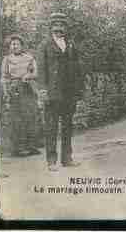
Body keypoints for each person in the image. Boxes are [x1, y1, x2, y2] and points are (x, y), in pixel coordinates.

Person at [37, 12, 83, 171]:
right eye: (55, 25)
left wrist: (79, 91)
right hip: (52, 93)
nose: (59, 28)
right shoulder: (44, 45)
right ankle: (51, 161)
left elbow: (78, 69)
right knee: (51, 127)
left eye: (62, 25)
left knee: (67, 126)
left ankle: (67, 158)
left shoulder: (71, 45)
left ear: (66, 28)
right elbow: (41, 70)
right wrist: (42, 90)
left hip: (69, 93)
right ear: (51, 27)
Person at [1, 34, 40, 157]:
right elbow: (4, 77)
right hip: (14, 89)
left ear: (22, 46)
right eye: (12, 44)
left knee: (31, 116)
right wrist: (6, 92)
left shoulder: (30, 58)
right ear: (10, 46)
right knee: (17, 118)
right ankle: (19, 148)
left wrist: (29, 76)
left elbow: (36, 72)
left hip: (28, 88)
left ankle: (32, 146)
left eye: (17, 44)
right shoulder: (6, 59)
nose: (15, 46)